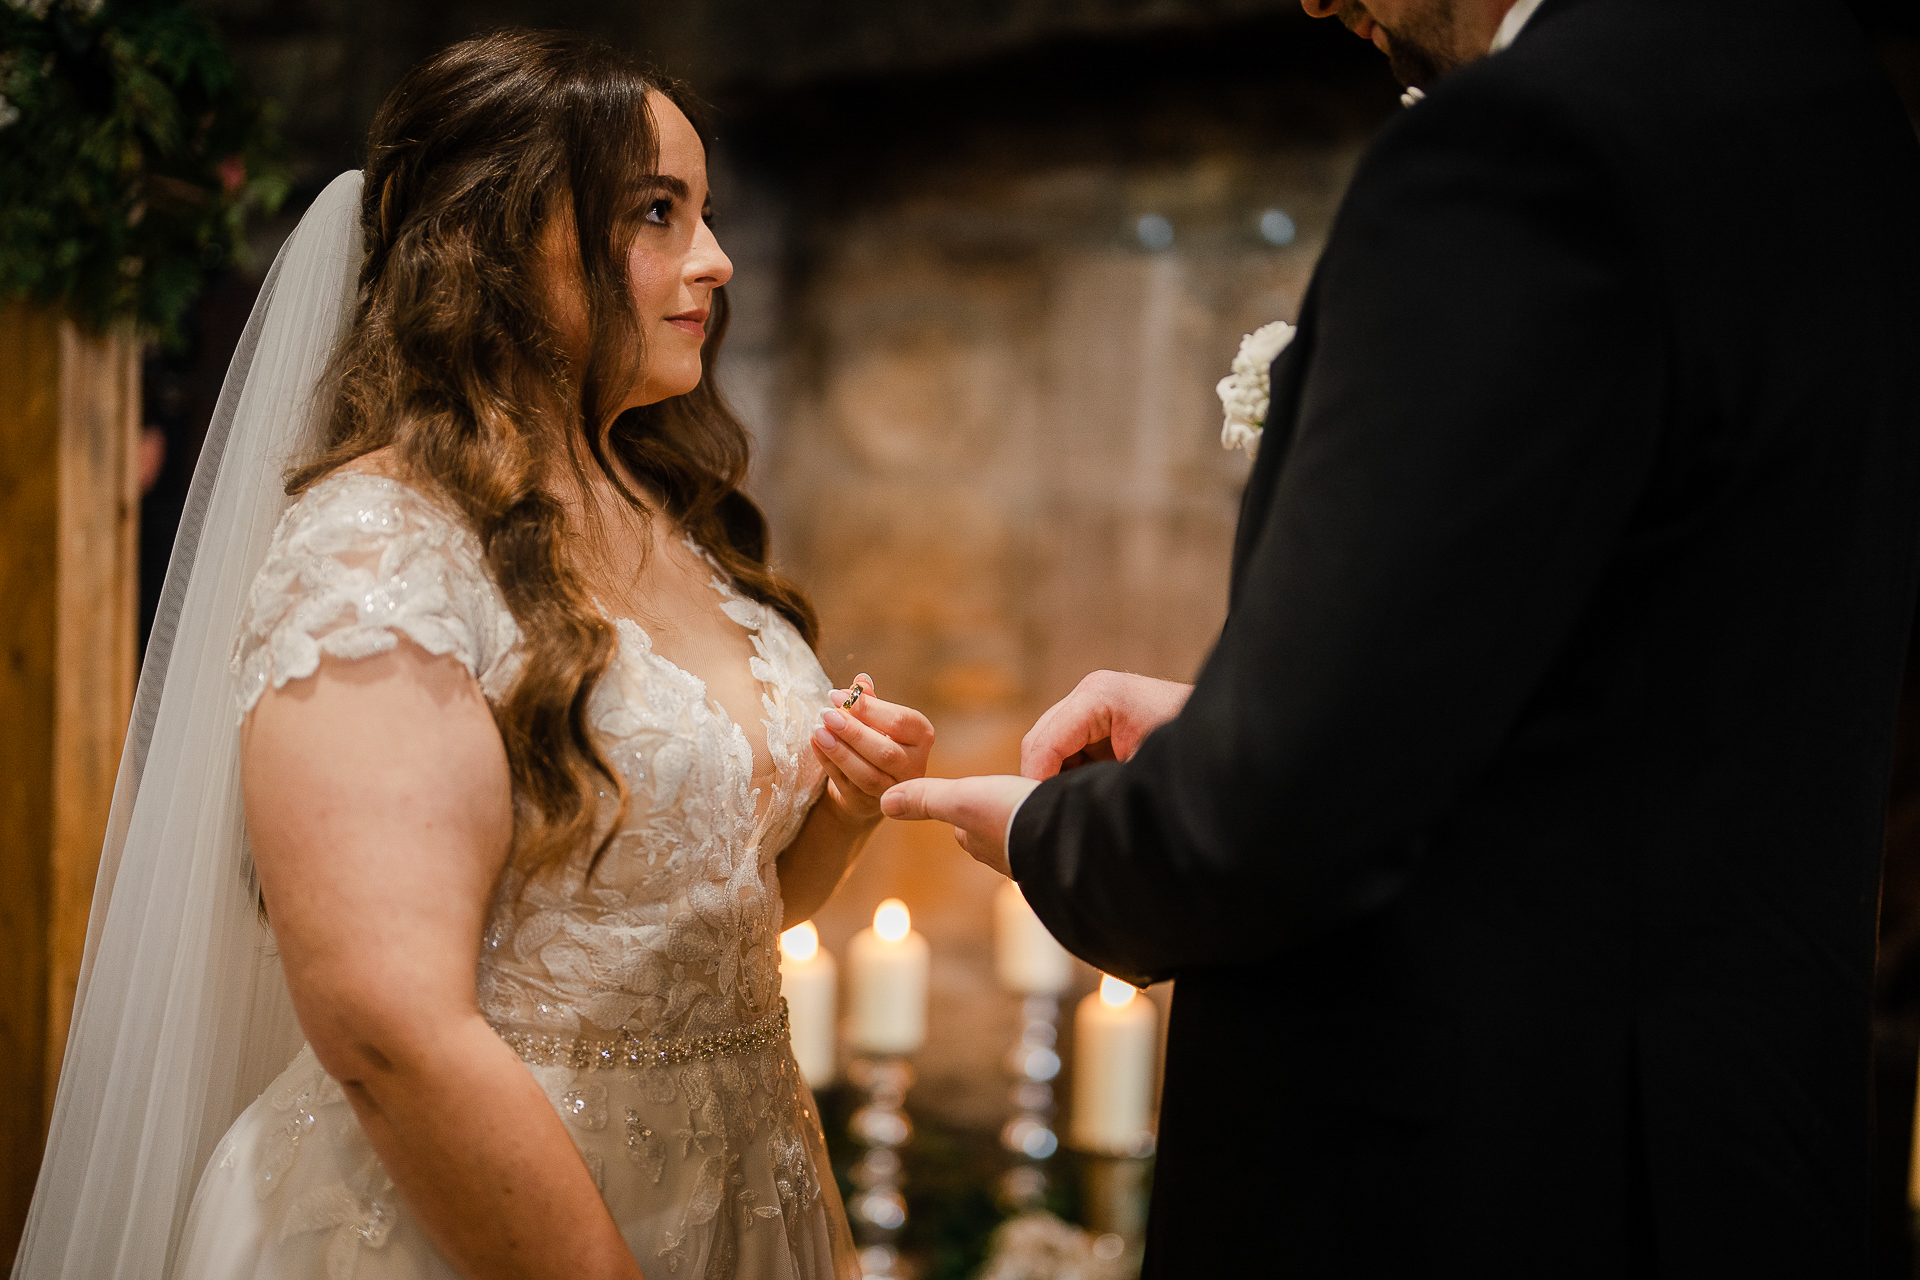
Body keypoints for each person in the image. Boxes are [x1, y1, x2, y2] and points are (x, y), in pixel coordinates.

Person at [884, 0, 1920, 1273]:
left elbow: (1260, 825)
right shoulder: (1829, 97)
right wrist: (1263, 707)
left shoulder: (1527, 145)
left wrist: (1056, 834)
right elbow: (1660, 674)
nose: (1320, 0)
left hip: (1486, 1187)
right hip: (1748, 1170)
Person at [17, 31, 931, 1280]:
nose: (714, 260)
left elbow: (699, 922)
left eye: (703, 212)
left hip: (734, 1186)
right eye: (656, 214)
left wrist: (840, 808)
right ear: (497, 241)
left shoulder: (655, 503)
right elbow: (387, 1025)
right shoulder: (380, 543)